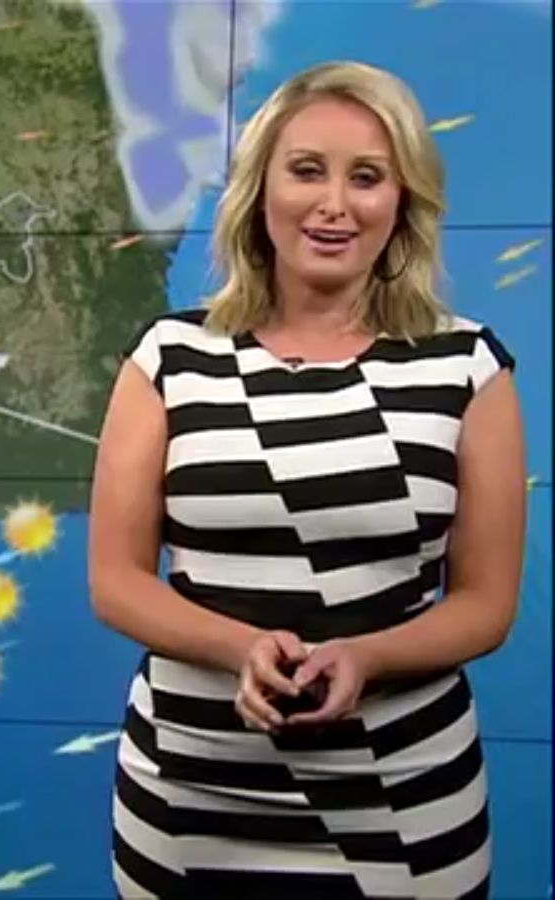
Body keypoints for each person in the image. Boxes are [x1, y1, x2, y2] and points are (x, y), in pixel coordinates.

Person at [87, 60, 526, 899]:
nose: (334, 204)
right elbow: (116, 580)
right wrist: (240, 649)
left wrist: (366, 657)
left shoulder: (467, 366)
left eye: (366, 177)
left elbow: (486, 604)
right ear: (261, 189)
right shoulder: (169, 358)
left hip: (404, 794)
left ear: (402, 200)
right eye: (307, 170)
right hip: (191, 792)